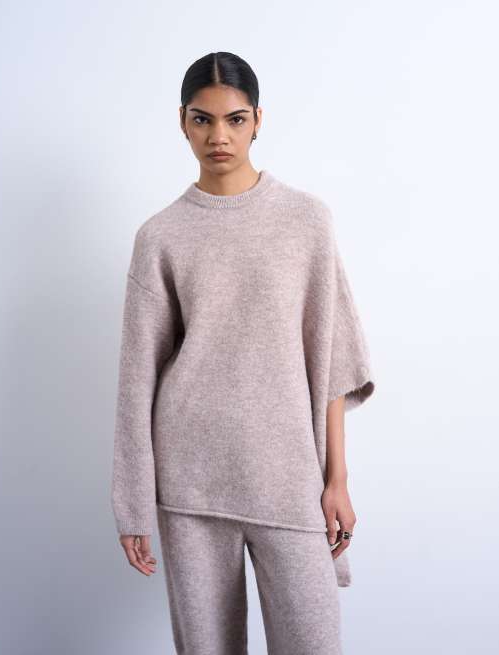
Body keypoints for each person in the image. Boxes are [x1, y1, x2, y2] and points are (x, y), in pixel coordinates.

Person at [110, 51, 375, 655]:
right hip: (190, 483)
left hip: (287, 476)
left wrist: (337, 479)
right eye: (202, 120)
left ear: (258, 120)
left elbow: (331, 359)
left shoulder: (306, 220)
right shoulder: (160, 237)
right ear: (182, 123)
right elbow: (136, 380)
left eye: (234, 119)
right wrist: (132, 506)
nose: (218, 137)